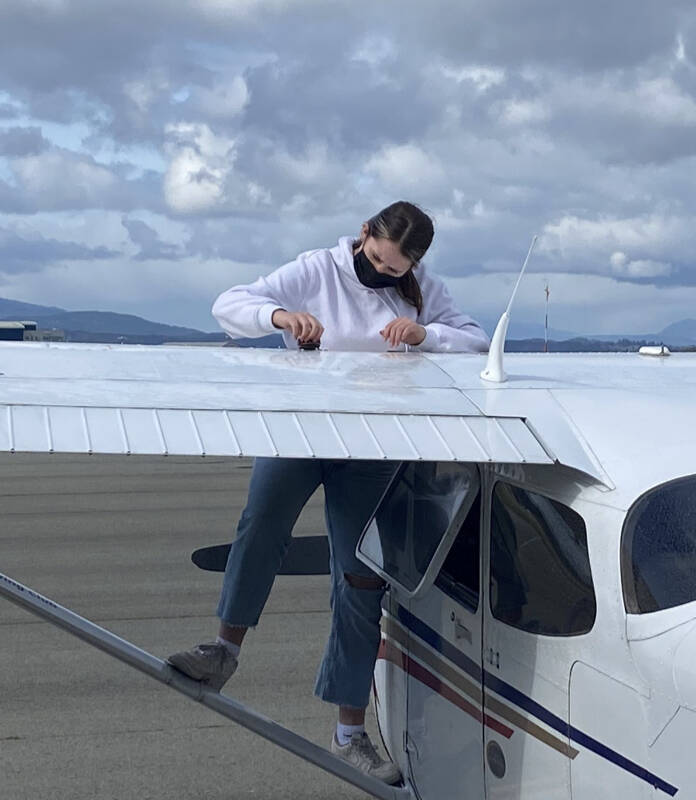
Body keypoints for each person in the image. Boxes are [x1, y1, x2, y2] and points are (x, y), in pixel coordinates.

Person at [167, 201, 488, 784]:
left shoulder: (423, 288)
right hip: (300, 428)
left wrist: (426, 332)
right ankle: (223, 651)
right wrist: (280, 317)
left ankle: (349, 733)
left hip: (370, 443)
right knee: (261, 523)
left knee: (359, 575)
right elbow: (228, 306)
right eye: (377, 261)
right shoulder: (316, 269)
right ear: (364, 236)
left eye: (396, 271)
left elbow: (476, 340)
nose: (384, 275)